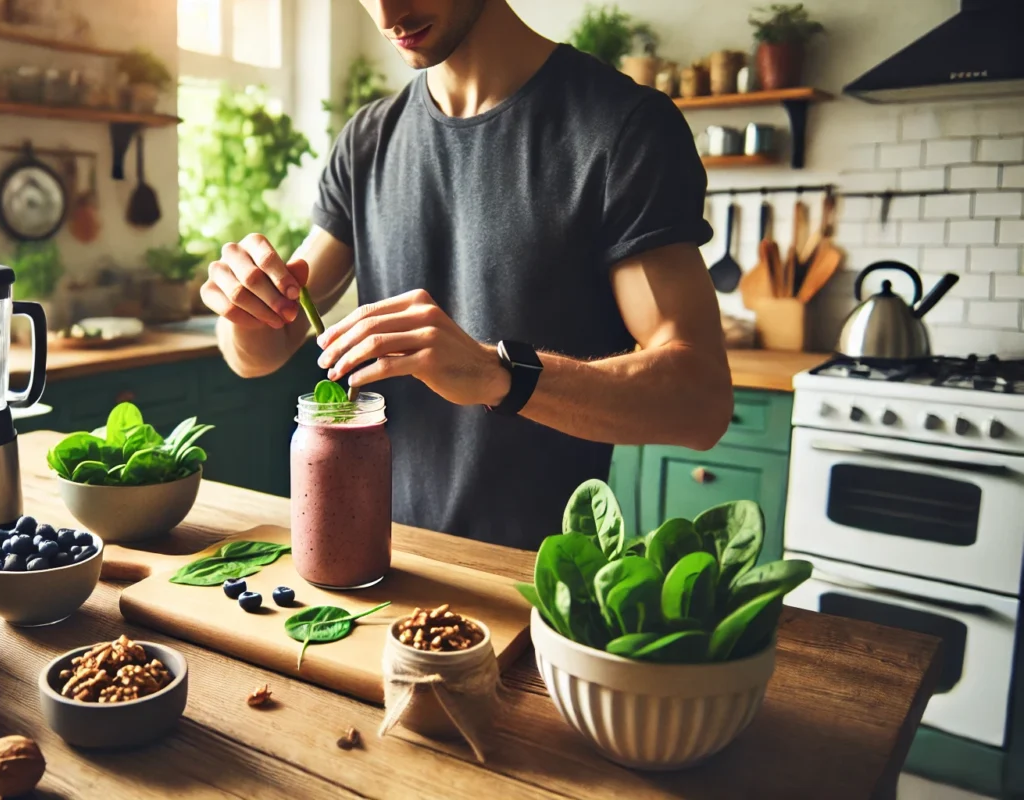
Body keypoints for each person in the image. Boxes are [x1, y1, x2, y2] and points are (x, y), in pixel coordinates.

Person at [200, 0, 733, 550]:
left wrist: (494, 372)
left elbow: (700, 404)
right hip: (385, 562)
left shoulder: (621, 128)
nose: (388, 14)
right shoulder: (367, 141)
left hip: (539, 585)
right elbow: (257, 352)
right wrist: (246, 305)